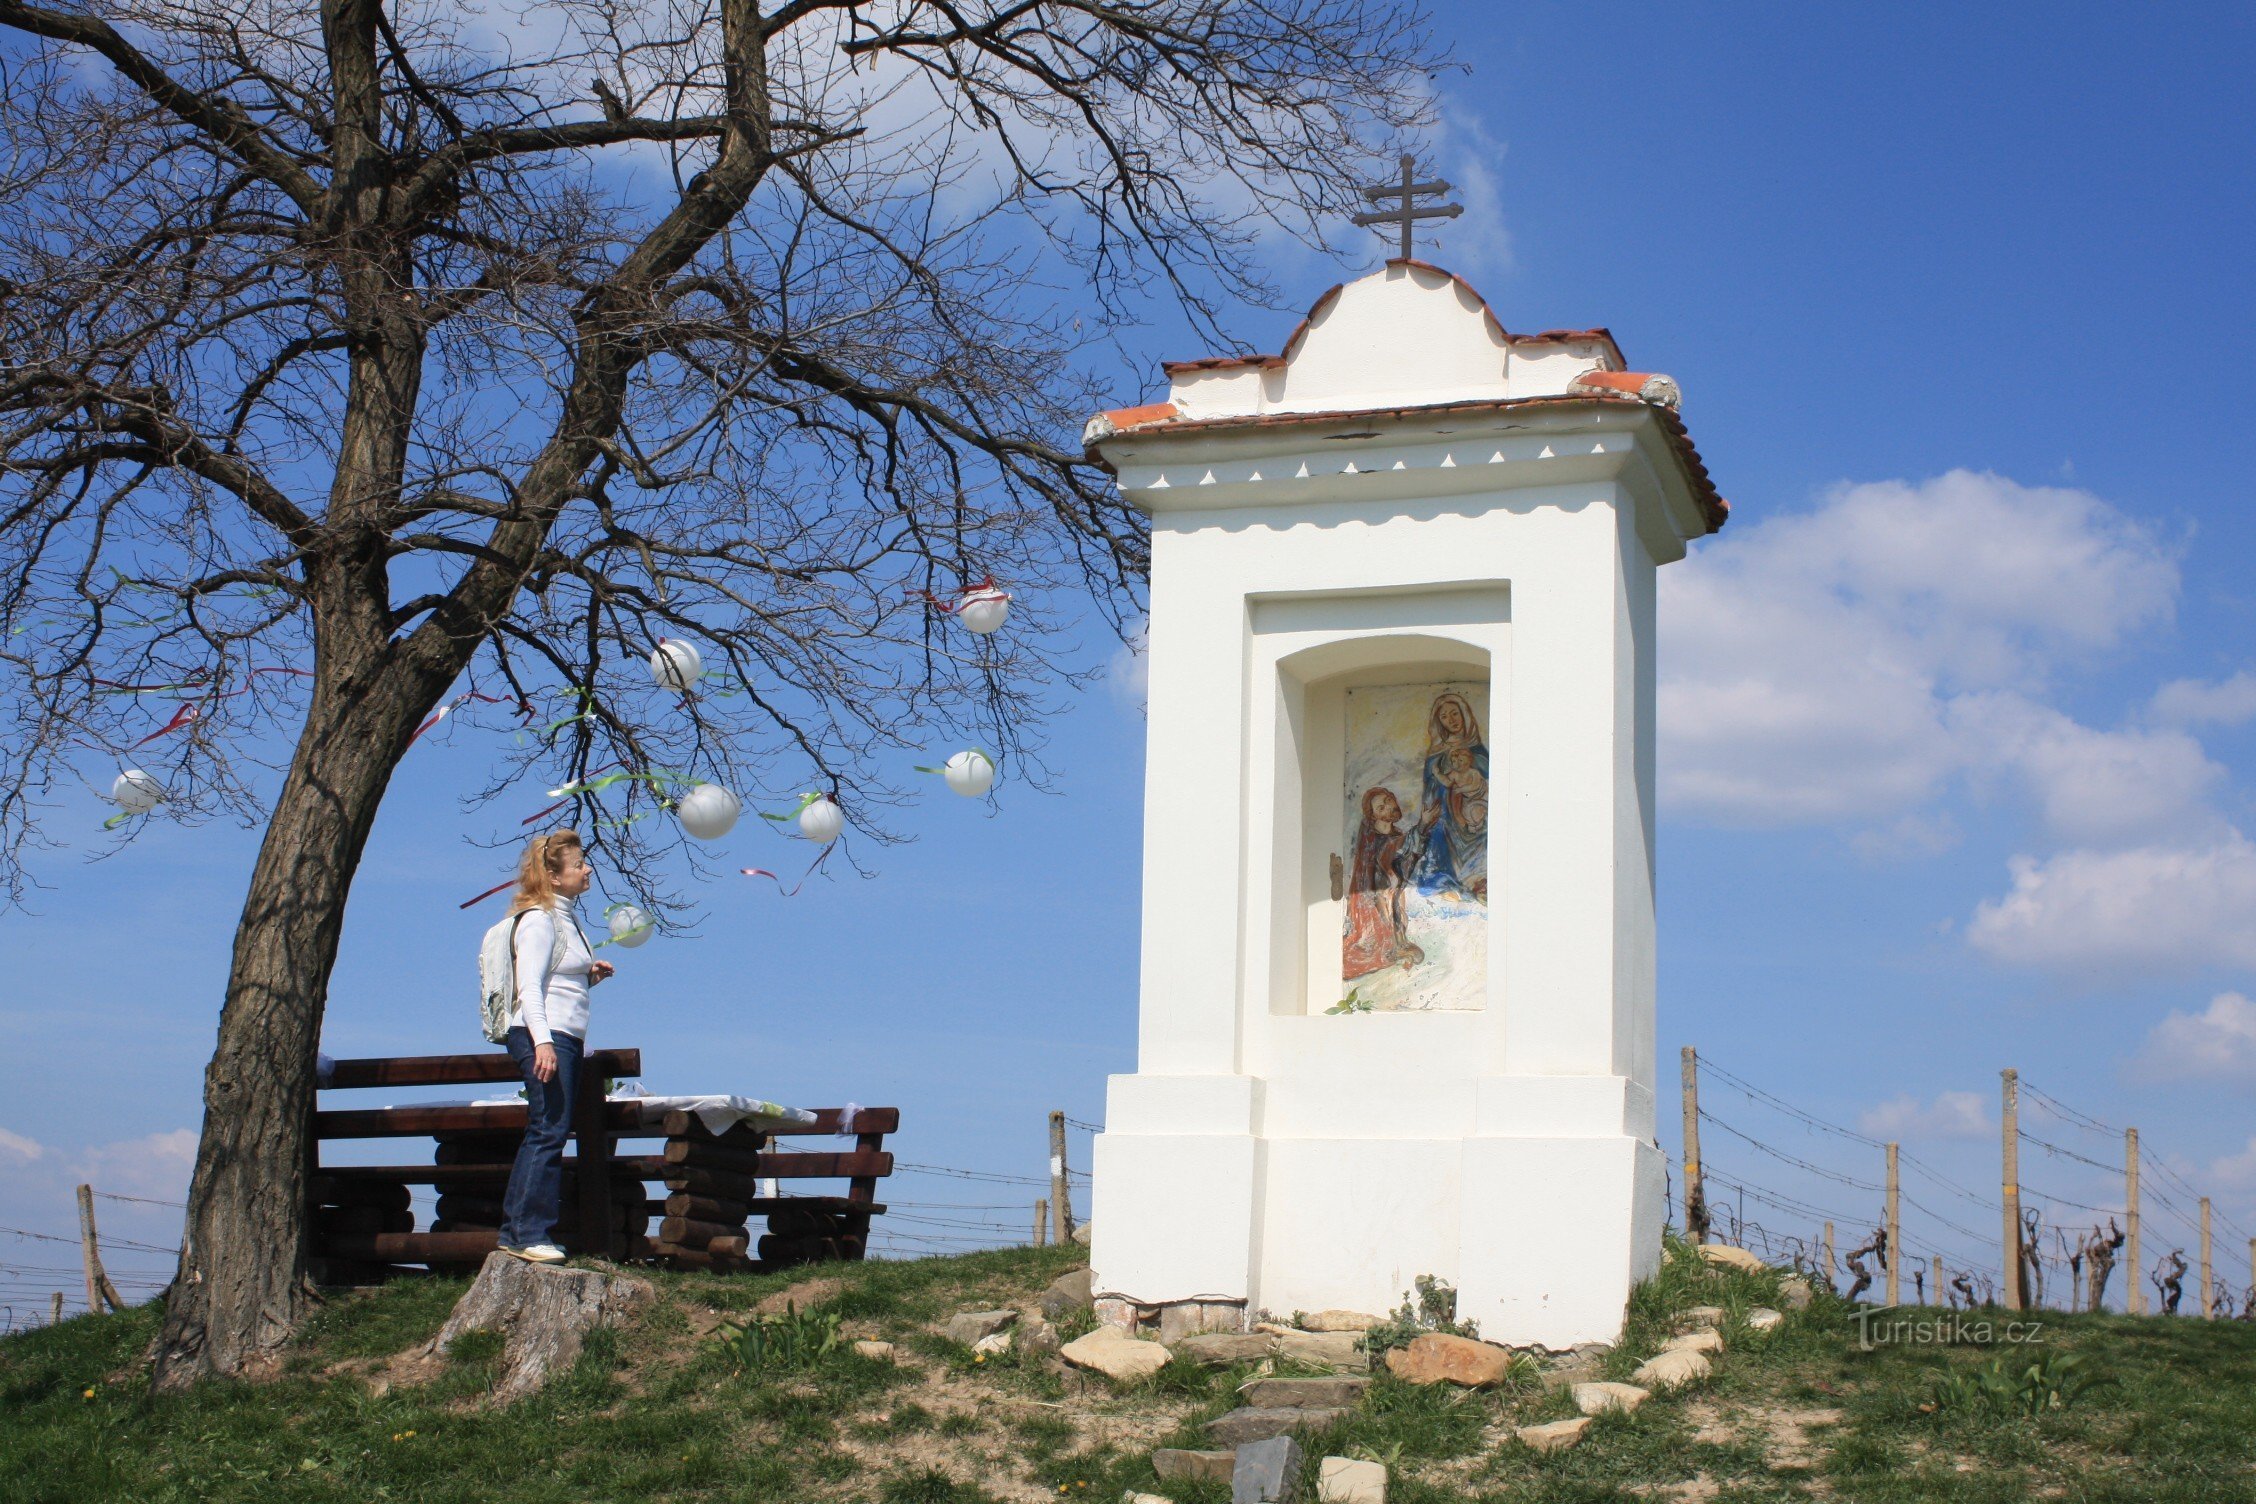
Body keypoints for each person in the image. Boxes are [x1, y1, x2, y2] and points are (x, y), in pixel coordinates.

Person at [498, 829, 615, 1261]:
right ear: (553, 874)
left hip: (562, 1035)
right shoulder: (540, 919)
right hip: (545, 1036)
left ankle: (517, 1232)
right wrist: (542, 1043)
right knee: (548, 1129)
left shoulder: (566, 917)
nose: (588, 869)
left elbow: (555, 982)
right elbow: (528, 988)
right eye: (579, 863)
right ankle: (528, 1234)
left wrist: (588, 977)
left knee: (548, 1128)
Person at [1413, 690, 1488, 901]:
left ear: (1464, 714)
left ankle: (1479, 881)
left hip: (1476, 811)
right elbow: (1431, 786)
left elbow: (1489, 779)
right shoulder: (1437, 753)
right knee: (1439, 830)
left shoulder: (1477, 750)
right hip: (1447, 814)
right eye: (1444, 717)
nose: (1451, 720)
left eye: (1454, 713)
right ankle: (1444, 883)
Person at [1342, 786, 1424, 980]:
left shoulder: (1397, 836)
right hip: (1377, 899)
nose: (1388, 807)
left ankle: (1399, 942)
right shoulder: (1373, 841)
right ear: (1374, 817)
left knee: (1397, 900)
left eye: (1388, 801)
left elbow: (1404, 867)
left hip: (1395, 891)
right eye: (1381, 807)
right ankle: (1392, 944)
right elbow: (1376, 885)